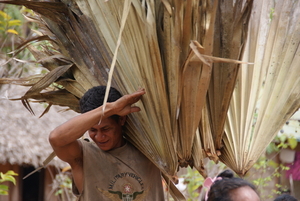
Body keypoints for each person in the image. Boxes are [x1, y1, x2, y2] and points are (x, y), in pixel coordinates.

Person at [49, 86, 165, 201]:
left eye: (106, 128)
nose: (99, 137)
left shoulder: (151, 153)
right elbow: (56, 138)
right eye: (93, 130)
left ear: (121, 120)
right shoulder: (82, 157)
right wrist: (111, 108)